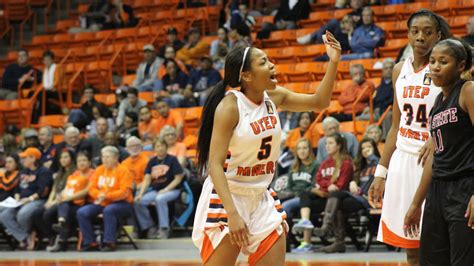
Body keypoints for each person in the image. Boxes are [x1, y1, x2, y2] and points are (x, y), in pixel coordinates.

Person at [192, 31, 341, 265]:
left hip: (261, 195)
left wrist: (333, 61)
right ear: (247, 76)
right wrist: (233, 214)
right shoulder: (230, 107)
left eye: (269, 60)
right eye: (264, 62)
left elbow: (319, 102)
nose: (272, 65)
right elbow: (214, 164)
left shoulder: (274, 96)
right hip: (228, 196)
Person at [368, 10, 451, 266]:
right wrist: (381, 173)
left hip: (435, 161)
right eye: (415, 31)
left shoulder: (446, 70)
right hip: (403, 162)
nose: (420, 37)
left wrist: (437, 134)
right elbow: (395, 126)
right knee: (410, 248)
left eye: (427, 32)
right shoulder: (398, 71)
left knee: (438, 246)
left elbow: (458, 114)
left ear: (438, 35)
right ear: (407, 34)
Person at [404, 39, 474, 266]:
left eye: (443, 62)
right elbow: (434, 157)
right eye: (432, 61)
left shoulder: (468, 91)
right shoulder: (436, 103)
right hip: (437, 192)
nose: (435, 66)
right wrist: (416, 203)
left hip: (464, 187)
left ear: (461, 66)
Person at [313, 138, 380, 253]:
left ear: (374, 149)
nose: (365, 150)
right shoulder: (360, 167)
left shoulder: (378, 164)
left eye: (369, 147)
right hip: (357, 197)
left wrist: (372, 157)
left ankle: (328, 229)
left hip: (369, 199)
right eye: (363, 148)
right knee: (338, 205)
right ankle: (338, 242)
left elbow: (382, 168)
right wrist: (353, 182)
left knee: (337, 196)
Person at [292, 133, 353, 253]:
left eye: (330, 143)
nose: (327, 146)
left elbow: (341, 185)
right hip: (326, 197)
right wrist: (328, 185)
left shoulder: (346, 163)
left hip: (341, 198)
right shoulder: (325, 163)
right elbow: (318, 179)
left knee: (335, 196)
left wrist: (326, 186)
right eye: (326, 143)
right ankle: (305, 223)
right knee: (305, 194)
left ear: (339, 145)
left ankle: (326, 227)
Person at [77, 146, 133, 251]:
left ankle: (109, 242)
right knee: (82, 212)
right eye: (103, 157)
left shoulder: (124, 171)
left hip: (122, 203)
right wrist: (99, 195)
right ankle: (90, 242)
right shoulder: (99, 170)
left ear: (116, 158)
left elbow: (124, 193)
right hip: (102, 202)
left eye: (108, 157)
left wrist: (107, 196)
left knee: (109, 210)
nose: (104, 160)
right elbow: (91, 188)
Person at [0, 148, 53, 250]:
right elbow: (18, 189)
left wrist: (29, 199)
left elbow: (43, 191)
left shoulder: (44, 171)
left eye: (25, 158)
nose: (22, 160)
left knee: (23, 213)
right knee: (4, 215)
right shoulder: (24, 171)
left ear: (33, 158)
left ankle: (32, 232)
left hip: (38, 200)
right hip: (22, 201)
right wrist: (17, 198)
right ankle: (25, 237)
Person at [134, 138, 184, 239]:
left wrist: (166, 189)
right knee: (138, 202)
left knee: (160, 199)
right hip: (156, 190)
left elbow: (179, 178)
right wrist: (140, 194)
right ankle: (150, 227)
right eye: (157, 146)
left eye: (162, 146)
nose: (160, 148)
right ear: (154, 149)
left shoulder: (172, 159)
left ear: (166, 147)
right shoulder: (152, 161)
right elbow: (147, 180)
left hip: (173, 190)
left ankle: (164, 228)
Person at [48, 151, 93, 252]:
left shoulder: (92, 173)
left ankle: (62, 240)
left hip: (87, 202)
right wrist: (61, 196)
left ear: (89, 162)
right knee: (61, 207)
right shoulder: (75, 173)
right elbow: (68, 188)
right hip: (73, 201)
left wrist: (67, 198)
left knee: (65, 206)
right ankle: (61, 225)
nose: (82, 163)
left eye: (84, 160)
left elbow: (87, 191)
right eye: (79, 161)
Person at [39, 148, 76, 251]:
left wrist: (54, 202)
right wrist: (49, 201)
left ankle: (60, 240)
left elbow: (68, 190)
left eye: (66, 157)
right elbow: (54, 189)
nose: (63, 160)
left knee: (49, 214)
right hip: (58, 200)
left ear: (72, 159)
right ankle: (51, 236)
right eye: (61, 157)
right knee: (39, 212)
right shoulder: (60, 172)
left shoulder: (74, 173)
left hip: (69, 201)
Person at [281, 138, 317, 226]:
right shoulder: (293, 166)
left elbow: (314, 185)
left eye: (305, 148)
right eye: (299, 149)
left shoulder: (316, 165)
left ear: (309, 150)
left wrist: (299, 193)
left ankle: (289, 236)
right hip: (293, 195)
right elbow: (289, 185)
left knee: (285, 206)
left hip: (306, 197)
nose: (302, 151)